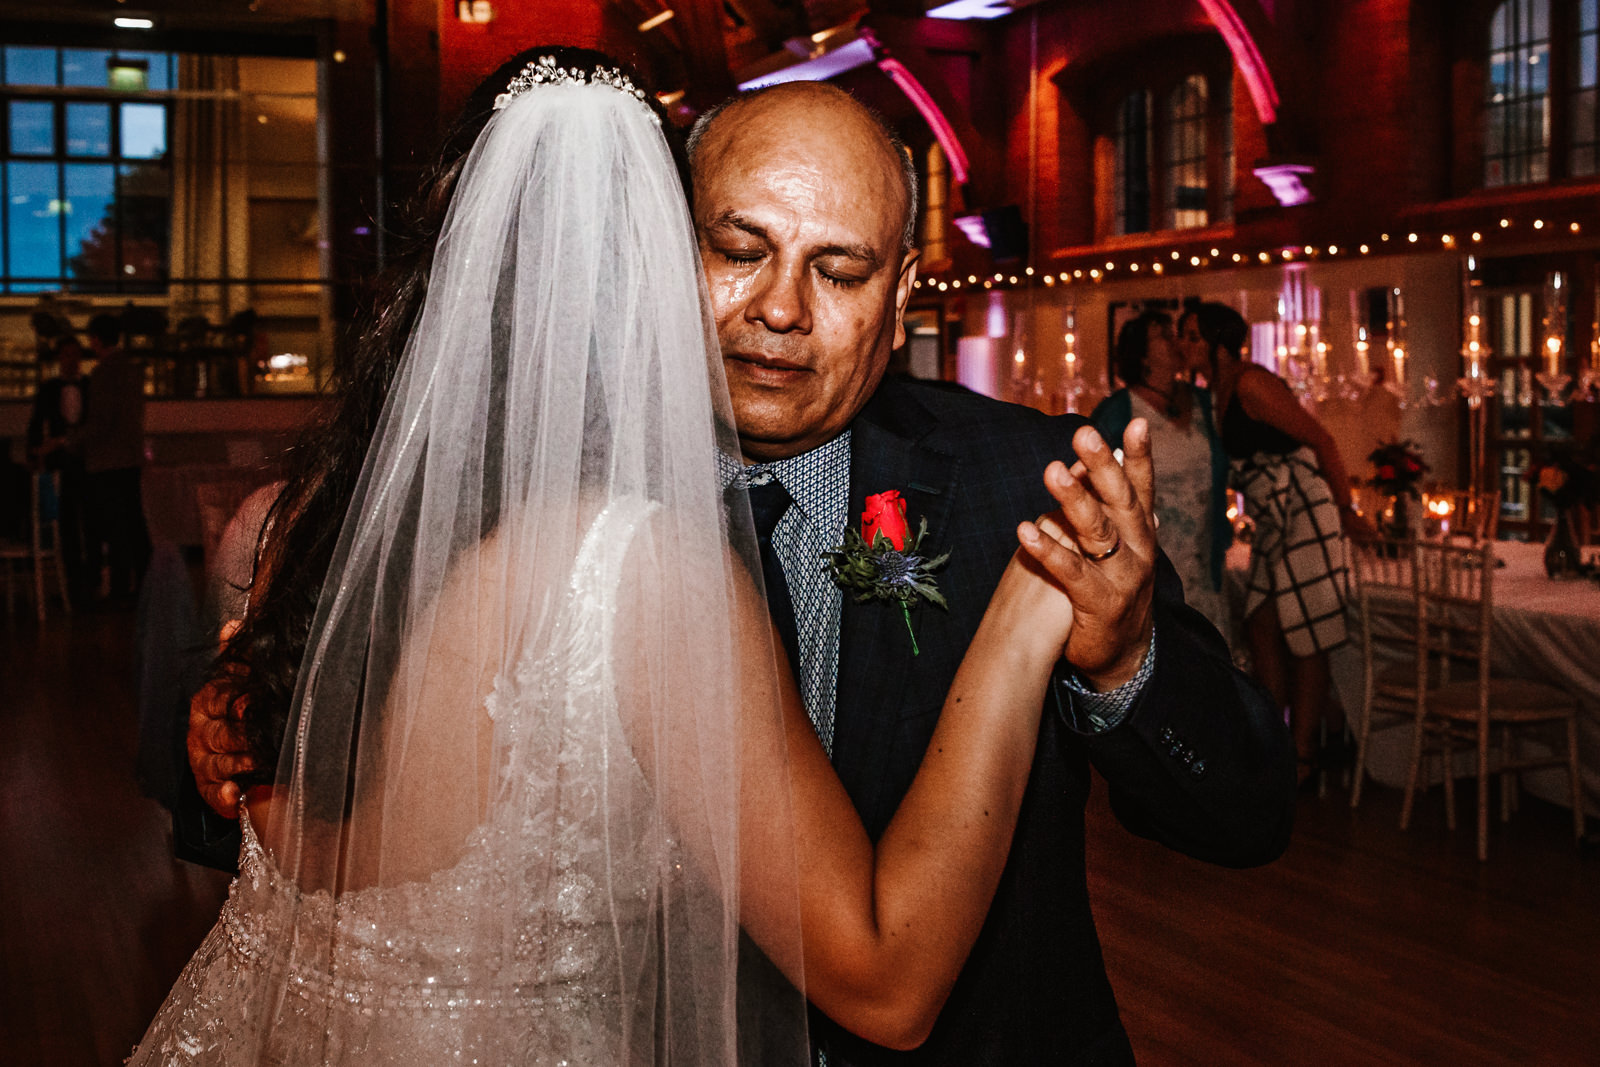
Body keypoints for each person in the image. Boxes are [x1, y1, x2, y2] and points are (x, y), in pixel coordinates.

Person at [189, 77, 1295, 1065]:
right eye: (739, 248)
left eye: (841, 268)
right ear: (662, 250)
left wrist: (1124, 658)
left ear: (902, 291)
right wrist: (247, 756)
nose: (781, 308)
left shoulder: (1025, 483)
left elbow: (1246, 813)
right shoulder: (530, 509)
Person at [1178, 301, 1367, 787]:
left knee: (1307, 631)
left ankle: (1301, 757)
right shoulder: (1210, 392)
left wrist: (1347, 511)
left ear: (1220, 342)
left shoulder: (1250, 383)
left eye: (1193, 336)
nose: (1184, 345)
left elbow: (1321, 439)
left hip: (1305, 507)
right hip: (1271, 517)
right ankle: (1273, 743)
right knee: (1261, 623)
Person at [1093, 309, 1231, 641]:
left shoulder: (1203, 402)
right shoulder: (1118, 411)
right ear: (1142, 355)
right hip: (1153, 561)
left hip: (1204, 560)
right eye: (1164, 335)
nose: (1176, 341)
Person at [77, 312, 150, 601]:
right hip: (130, 456)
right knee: (134, 521)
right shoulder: (132, 369)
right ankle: (143, 582)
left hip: (108, 460)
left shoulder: (104, 372)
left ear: (96, 339)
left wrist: (71, 441)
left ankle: (121, 588)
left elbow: (101, 422)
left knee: (116, 526)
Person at [26, 334, 92, 603]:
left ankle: (86, 581)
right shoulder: (49, 388)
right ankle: (74, 582)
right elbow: (36, 423)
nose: (71, 360)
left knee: (89, 522)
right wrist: (37, 452)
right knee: (64, 523)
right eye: (66, 354)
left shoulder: (90, 386)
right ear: (59, 358)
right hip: (61, 462)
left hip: (87, 462)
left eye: (75, 354)